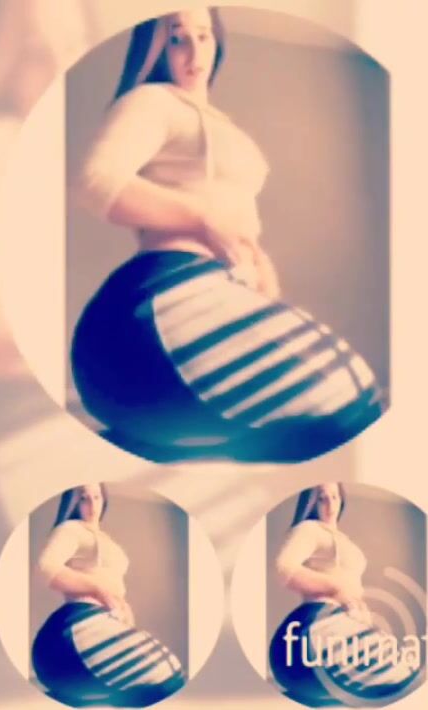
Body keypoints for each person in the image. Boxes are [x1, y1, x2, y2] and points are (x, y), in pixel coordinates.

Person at [70, 8, 383, 463]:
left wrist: (256, 267)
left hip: (214, 292)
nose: (194, 52)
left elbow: (232, 214)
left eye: (204, 36)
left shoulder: (217, 121)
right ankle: (161, 430)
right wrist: (203, 218)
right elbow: (94, 181)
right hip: (154, 307)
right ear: (155, 47)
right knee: (349, 408)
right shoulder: (152, 101)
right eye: (177, 38)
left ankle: (160, 439)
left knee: (357, 401)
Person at [31, 483, 185, 707]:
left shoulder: (104, 538)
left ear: (104, 500)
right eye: (83, 498)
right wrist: (100, 590)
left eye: (96, 497)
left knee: (168, 676)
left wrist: (121, 610)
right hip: (76, 627)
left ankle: (75, 697)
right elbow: (45, 568)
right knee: (168, 680)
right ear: (73, 502)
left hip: (103, 622)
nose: (92, 504)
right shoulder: (71, 529)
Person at [269, 483, 421, 705]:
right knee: (400, 677)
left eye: (335, 497)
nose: (330, 504)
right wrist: (337, 588)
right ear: (311, 502)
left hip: (345, 621)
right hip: (318, 622)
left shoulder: (342, 539)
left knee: (404, 671)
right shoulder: (309, 529)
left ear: (342, 500)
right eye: (322, 498)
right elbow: (284, 568)